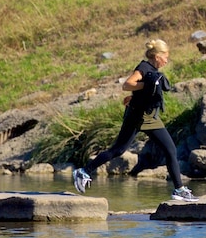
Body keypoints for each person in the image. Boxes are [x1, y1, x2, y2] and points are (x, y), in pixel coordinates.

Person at [73, 39, 198, 202]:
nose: (167, 60)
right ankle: (84, 171)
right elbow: (128, 84)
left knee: (170, 150)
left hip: (151, 117)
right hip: (136, 116)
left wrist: (134, 96)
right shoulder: (144, 68)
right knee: (118, 150)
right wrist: (145, 85)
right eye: (166, 57)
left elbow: (146, 92)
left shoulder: (154, 70)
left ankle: (179, 190)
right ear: (157, 56)